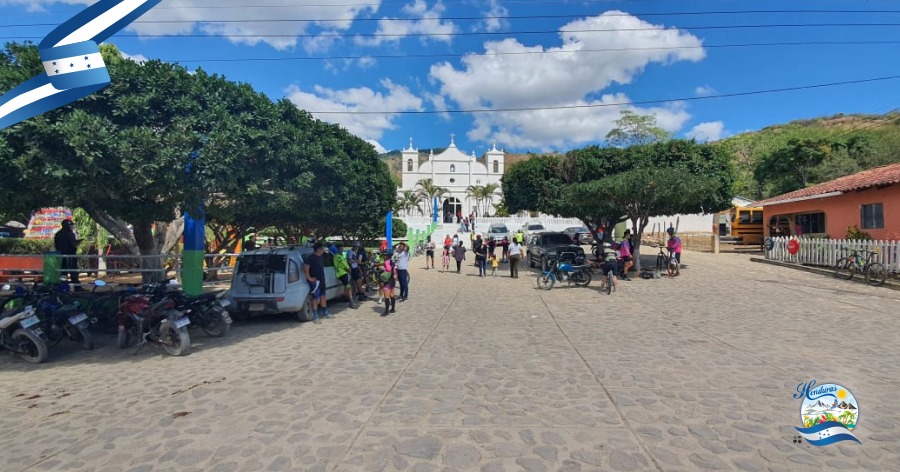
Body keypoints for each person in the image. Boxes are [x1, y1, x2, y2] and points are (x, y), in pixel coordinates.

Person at [303, 242, 329, 323]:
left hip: (322, 280)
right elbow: (305, 267)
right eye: (322, 249)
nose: (323, 250)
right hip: (315, 281)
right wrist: (309, 278)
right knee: (315, 298)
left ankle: (325, 312)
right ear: (318, 249)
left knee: (323, 295)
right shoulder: (311, 257)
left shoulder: (321, 257)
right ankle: (315, 315)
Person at [54, 219, 81, 289]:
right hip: (70, 255)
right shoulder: (70, 234)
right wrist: (78, 242)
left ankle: (63, 287)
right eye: (71, 225)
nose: (72, 227)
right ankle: (77, 287)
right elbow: (73, 244)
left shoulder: (58, 234)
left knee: (63, 272)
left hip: (61, 255)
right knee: (74, 272)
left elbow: (56, 245)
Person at [334, 243, 358, 309]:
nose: (342, 250)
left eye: (342, 249)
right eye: (341, 249)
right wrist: (348, 268)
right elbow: (341, 264)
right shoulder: (337, 256)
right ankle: (351, 301)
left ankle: (347, 298)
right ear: (338, 249)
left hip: (344, 272)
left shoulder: (340, 255)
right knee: (348, 286)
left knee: (346, 286)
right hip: (341, 273)